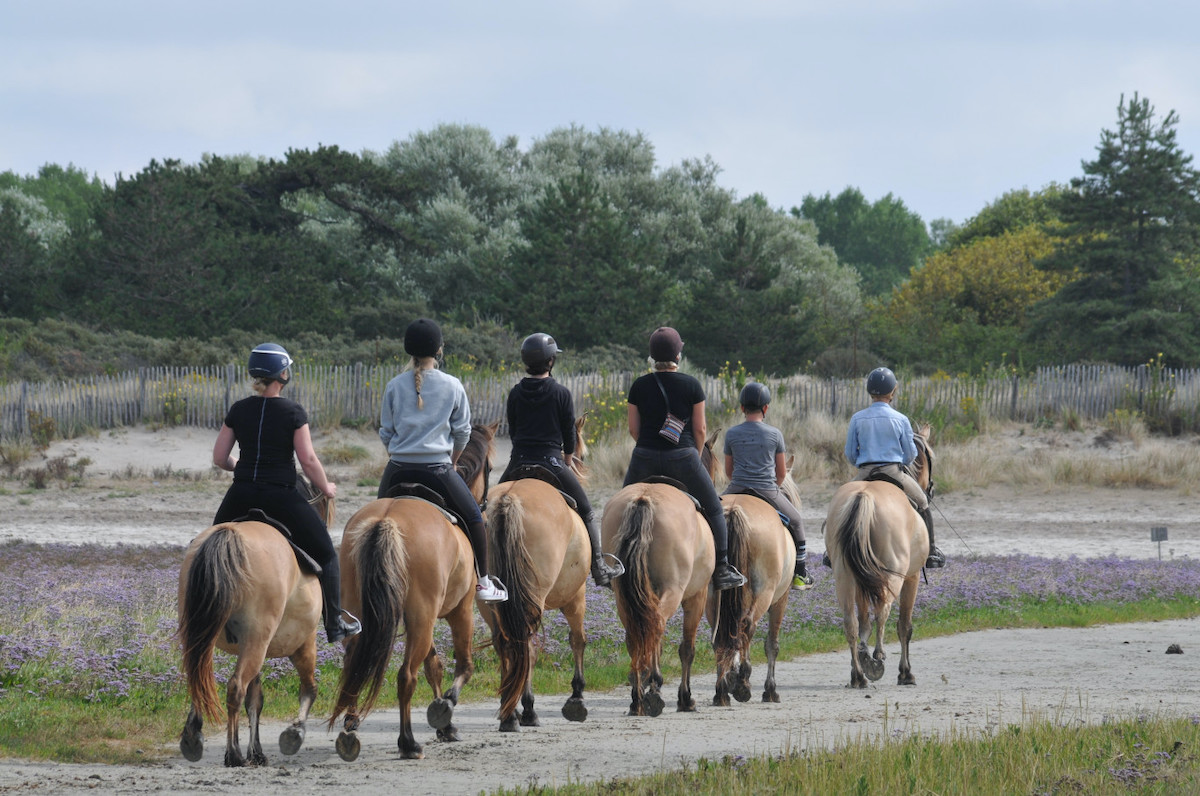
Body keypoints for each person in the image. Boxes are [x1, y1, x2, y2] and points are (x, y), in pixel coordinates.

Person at [212, 343, 362, 644]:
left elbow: (219, 458)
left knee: (207, 548)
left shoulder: (238, 410)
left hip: (240, 494)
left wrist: (240, 466)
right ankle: (334, 624)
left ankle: (215, 614)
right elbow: (307, 460)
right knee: (327, 555)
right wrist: (325, 487)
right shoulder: (293, 412)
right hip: (280, 496)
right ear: (283, 373)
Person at [377, 318, 508, 603]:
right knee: (474, 517)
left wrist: (399, 453)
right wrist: (452, 460)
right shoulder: (452, 384)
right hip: (437, 469)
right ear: (439, 350)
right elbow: (462, 433)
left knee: (377, 519)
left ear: (408, 350)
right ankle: (484, 582)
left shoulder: (394, 385)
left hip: (397, 469)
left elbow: (386, 432)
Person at [623, 327, 746, 591]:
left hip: (643, 457)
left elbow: (634, 429)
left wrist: (649, 448)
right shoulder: (692, 385)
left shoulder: (639, 386)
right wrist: (695, 452)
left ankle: (617, 564)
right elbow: (700, 429)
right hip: (683, 457)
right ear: (678, 355)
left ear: (652, 356)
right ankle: (722, 568)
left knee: (621, 507)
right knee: (714, 508)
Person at [500, 332, 625, 588]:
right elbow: (569, 433)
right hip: (551, 462)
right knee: (588, 511)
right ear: (550, 362)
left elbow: (513, 430)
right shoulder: (560, 393)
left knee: (485, 506)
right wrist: (567, 459)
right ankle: (599, 568)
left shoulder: (515, 392)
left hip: (518, 461)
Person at [843, 366, 945, 569]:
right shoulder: (900, 419)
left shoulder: (857, 418)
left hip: (864, 473)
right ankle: (931, 551)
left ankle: (831, 551)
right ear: (893, 391)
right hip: (893, 472)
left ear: (870, 392)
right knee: (923, 502)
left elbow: (850, 454)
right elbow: (910, 455)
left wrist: (862, 463)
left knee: (842, 503)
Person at [722, 382, 813, 590]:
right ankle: (800, 574)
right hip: (766, 489)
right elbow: (781, 473)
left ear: (742, 408)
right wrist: (773, 488)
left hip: (735, 489)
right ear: (766, 408)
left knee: (709, 517)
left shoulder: (732, 434)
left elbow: (729, 471)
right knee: (797, 521)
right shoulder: (774, 434)